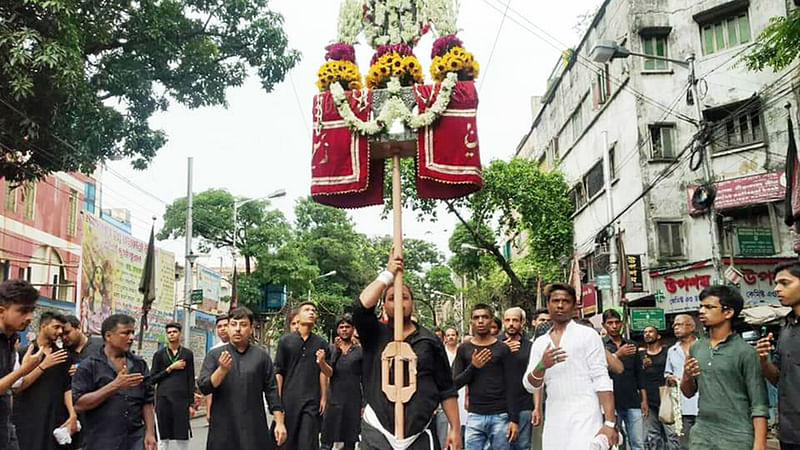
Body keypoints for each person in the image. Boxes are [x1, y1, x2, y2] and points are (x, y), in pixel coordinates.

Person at [354, 252, 461, 450]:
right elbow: (361, 307)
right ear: (384, 305)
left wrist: (455, 428)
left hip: (418, 434)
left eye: (404, 297)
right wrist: (388, 274)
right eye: (391, 298)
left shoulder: (429, 341)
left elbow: (446, 388)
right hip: (378, 432)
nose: (398, 303)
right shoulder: (373, 334)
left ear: (412, 304)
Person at [523, 283, 617, 449]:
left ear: (574, 306)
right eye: (555, 300)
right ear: (548, 305)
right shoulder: (541, 343)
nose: (560, 305)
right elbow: (530, 385)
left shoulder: (587, 335)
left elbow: (601, 378)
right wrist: (541, 366)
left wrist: (609, 423)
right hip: (554, 419)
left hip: (586, 416)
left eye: (565, 301)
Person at [681, 286, 768, 450]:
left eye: (709, 307)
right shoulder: (696, 348)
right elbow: (688, 392)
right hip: (702, 435)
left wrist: (759, 445)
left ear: (728, 313)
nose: (701, 311)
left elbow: (759, 404)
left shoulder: (746, 352)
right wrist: (686, 374)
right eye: (701, 306)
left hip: (737, 437)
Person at [198, 307, 286, 450]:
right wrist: (221, 370)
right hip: (223, 430)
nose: (238, 329)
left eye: (243, 325)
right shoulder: (215, 355)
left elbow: (272, 391)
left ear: (251, 328)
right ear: (228, 327)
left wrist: (280, 422)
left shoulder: (261, 357)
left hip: (253, 428)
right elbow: (204, 387)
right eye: (233, 324)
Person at [72, 314, 157, 450]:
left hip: (135, 440)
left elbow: (147, 401)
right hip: (101, 441)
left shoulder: (139, 364)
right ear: (108, 336)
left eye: (132, 333)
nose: (131, 338)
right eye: (125, 333)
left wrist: (150, 433)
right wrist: (114, 386)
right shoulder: (90, 365)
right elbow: (78, 404)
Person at [453, 304, 519, 450]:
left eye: (485, 317)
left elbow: (512, 385)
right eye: (476, 318)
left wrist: (514, 419)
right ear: (471, 322)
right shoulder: (464, 349)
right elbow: (455, 383)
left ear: (491, 321)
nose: (481, 321)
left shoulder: (503, 349)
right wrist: (473, 366)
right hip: (475, 415)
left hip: (500, 415)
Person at [12, 311, 76, 450]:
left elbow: (67, 387)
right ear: (42, 326)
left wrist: (72, 414)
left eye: (62, 328)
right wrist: (44, 365)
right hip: (28, 419)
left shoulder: (63, 356)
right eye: (56, 327)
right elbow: (17, 387)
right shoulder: (25, 353)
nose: (59, 331)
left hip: (55, 419)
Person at [275, 301, 331, 450]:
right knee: (288, 442)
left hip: (312, 400)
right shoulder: (285, 342)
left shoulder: (321, 343)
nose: (311, 312)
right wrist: (277, 402)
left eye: (313, 310)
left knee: (308, 442)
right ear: (298, 316)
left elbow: (327, 373)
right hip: (289, 400)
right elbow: (279, 372)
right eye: (307, 310)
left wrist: (324, 397)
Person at [756, 261, 800, 450]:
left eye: (785, 283)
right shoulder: (786, 328)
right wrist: (763, 359)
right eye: (776, 283)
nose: (776, 289)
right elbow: (778, 379)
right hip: (790, 432)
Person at [0, 280, 43, 449]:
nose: (29, 317)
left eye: (31, 310)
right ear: (2, 311)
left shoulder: (10, 339)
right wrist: (24, 370)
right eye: (23, 311)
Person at [603, 309, 647, 450]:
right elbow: (600, 371)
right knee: (615, 444)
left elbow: (639, 374)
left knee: (638, 443)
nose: (614, 326)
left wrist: (644, 400)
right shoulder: (600, 346)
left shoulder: (631, 345)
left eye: (616, 322)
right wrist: (617, 355)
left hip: (633, 401)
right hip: (611, 403)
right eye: (610, 323)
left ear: (621, 324)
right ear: (604, 325)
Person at [150, 322, 195, 450]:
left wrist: (191, 404)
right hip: (163, 400)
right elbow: (152, 379)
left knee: (182, 436)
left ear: (179, 334)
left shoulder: (187, 354)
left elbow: (190, 379)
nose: (171, 335)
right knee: (163, 437)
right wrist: (170, 368)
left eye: (174, 332)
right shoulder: (159, 355)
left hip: (181, 401)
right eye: (169, 333)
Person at [320, 316, 363, 450]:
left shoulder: (360, 351)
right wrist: (323, 398)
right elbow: (327, 372)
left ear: (353, 329)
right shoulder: (331, 349)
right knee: (327, 438)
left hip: (353, 401)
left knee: (350, 439)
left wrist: (365, 403)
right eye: (341, 327)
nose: (344, 330)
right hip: (334, 399)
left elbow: (365, 378)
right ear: (337, 330)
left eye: (347, 327)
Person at [664, 315, 698, 450]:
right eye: (674, 326)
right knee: (684, 445)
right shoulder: (672, 351)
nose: (676, 328)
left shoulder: (703, 347)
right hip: (682, 406)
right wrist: (670, 378)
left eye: (679, 324)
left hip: (703, 404)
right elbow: (667, 373)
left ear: (691, 327)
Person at [503, 307, 533, 450]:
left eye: (515, 320)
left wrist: (537, 407)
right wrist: (502, 350)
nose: (511, 324)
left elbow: (536, 377)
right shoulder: (495, 345)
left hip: (524, 404)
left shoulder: (530, 347)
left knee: (523, 446)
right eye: (508, 320)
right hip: (500, 406)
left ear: (522, 323)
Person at [641, 326, 672, 450]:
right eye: (645, 332)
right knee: (653, 436)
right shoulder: (641, 355)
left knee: (672, 434)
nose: (647, 334)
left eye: (650, 331)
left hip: (666, 398)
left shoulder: (667, 352)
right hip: (649, 400)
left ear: (658, 336)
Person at [439, 326, 467, 448]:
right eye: (448, 335)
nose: (451, 337)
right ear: (445, 338)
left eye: (453, 335)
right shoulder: (440, 353)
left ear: (457, 337)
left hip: (461, 393)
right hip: (445, 394)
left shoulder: (462, 352)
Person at [205, 313, 229, 423]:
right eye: (219, 327)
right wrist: (208, 409)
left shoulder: (243, 348)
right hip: (220, 404)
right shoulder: (213, 352)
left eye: (226, 325)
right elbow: (208, 383)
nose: (223, 329)